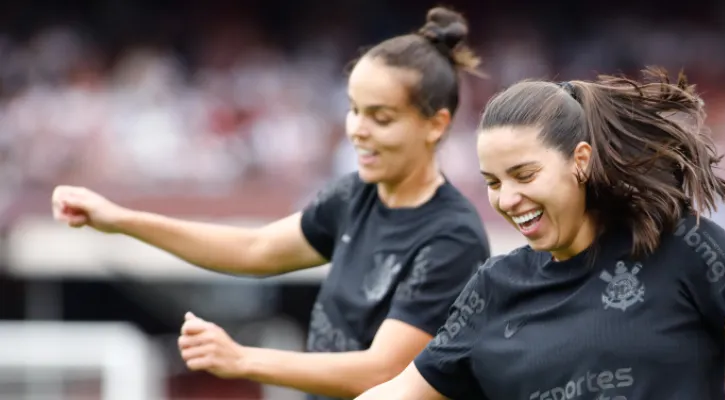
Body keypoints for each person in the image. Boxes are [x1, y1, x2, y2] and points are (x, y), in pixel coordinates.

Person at [50, 7, 491, 400]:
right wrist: (120, 220)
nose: (358, 129)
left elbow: (385, 372)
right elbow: (253, 249)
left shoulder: (453, 237)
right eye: (354, 109)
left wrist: (243, 360)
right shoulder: (354, 195)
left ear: (436, 125)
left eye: (381, 117)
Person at [356, 68, 725, 400]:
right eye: (492, 182)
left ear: (580, 161)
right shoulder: (492, 288)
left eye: (525, 176)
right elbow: (400, 393)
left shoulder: (684, 247)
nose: (507, 199)